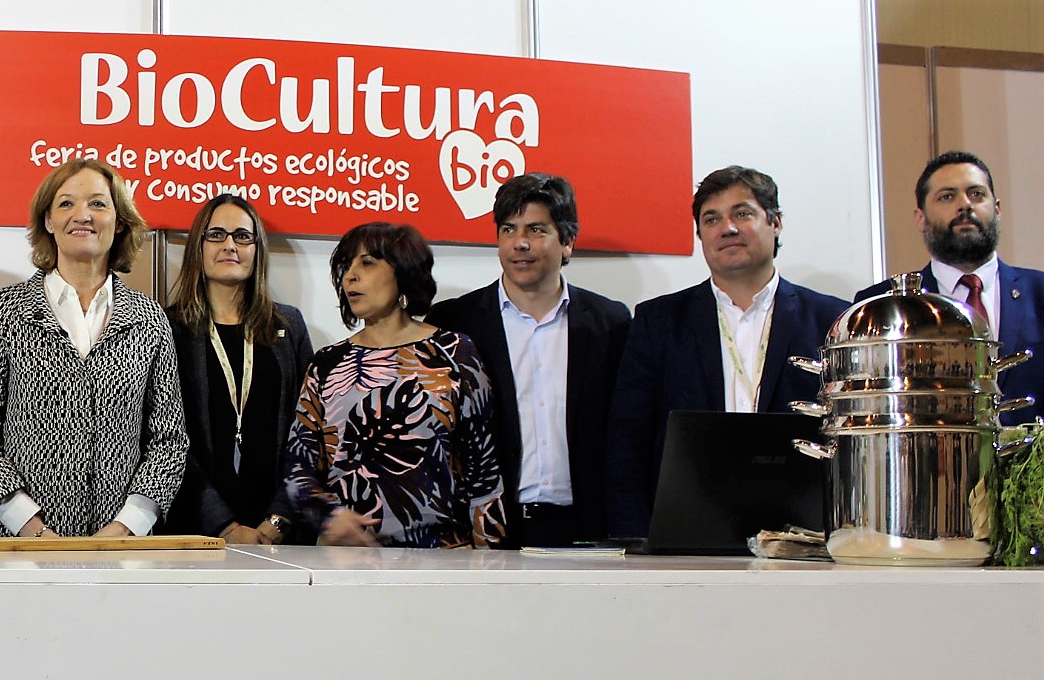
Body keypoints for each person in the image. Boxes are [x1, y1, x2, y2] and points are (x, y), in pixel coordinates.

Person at [605, 166, 848, 539]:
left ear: (775, 223)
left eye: (742, 213)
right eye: (711, 219)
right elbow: (628, 441)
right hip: (688, 533)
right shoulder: (659, 321)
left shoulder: (833, 320)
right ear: (700, 235)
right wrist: (636, 538)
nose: (727, 228)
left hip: (806, 535)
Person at [0, 158, 186, 538]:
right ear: (48, 220)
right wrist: (30, 527)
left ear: (119, 221)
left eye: (98, 203)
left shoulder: (150, 319)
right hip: (21, 548)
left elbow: (169, 440)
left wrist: (125, 528)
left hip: (122, 550)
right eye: (66, 203)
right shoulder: (5, 311)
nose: (83, 215)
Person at [426, 173, 630, 547]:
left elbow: (625, 432)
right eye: (509, 230)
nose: (520, 243)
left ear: (567, 242)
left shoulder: (611, 323)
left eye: (536, 230)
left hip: (588, 529)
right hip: (486, 530)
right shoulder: (455, 322)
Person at [284, 222, 505, 549]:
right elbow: (298, 468)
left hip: (443, 558)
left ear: (403, 270)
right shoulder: (327, 364)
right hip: (349, 559)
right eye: (346, 266)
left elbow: (484, 471)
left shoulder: (455, 353)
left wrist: (490, 560)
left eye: (367, 263)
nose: (350, 276)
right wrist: (329, 517)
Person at [163, 193, 313, 544]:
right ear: (198, 247)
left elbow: (309, 431)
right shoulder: (169, 328)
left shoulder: (288, 326)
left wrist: (278, 520)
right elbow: (166, 440)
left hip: (279, 533)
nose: (230, 245)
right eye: (216, 234)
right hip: (195, 532)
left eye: (242, 236)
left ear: (257, 249)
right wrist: (224, 526)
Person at [854, 150, 1044, 424]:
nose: (965, 205)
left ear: (997, 209)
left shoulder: (1039, 293)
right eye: (947, 197)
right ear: (920, 218)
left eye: (976, 194)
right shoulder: (882, 306)